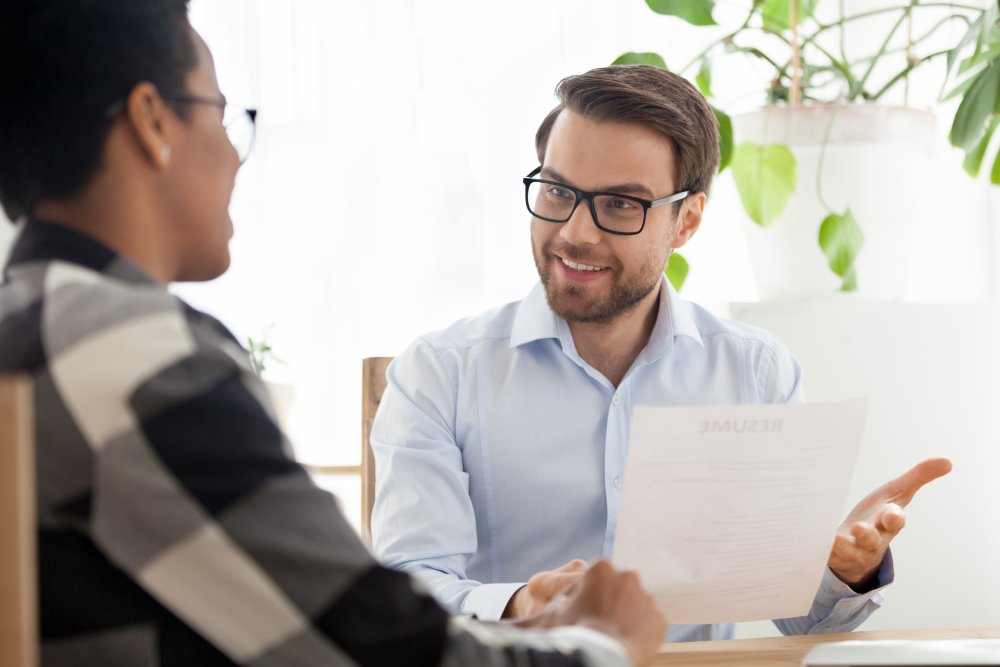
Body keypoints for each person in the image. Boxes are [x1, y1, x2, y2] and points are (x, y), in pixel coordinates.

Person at [0, 2, 669, 665]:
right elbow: (377, 648)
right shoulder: (134, 355)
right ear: (152, 122)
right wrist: (603, 641)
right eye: (221, 114)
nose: (235, 158)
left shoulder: (29, 326)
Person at [370, 64, 953, 641]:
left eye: (621, 204)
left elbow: (799, 616)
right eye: (556, 191)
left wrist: (840, 573)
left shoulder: (755, 372)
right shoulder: (439, 375)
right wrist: (518, 605)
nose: (576, 232)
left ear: (687, 222)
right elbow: (406, 593)